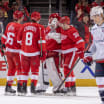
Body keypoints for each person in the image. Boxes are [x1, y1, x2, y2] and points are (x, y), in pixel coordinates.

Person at [17, 11, 46, 95]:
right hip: (35, 53)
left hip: (24, 52)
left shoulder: (24, 25)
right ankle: (33, 88)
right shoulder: (40, 27)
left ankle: (24, 88)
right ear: (38, 19)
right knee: (35, 71)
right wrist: (43, 53)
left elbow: (18, 40)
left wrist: (24, 47)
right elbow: (42, 42)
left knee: (24, 71)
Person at [58, 16, 85, 95]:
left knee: (67, 68)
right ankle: (72, 87)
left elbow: (80, 41)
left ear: (66, 23)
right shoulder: (63, 29)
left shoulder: (72, 31)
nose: (61, 26)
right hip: (65, 52)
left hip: (72, 52)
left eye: (62, 24)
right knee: (69, 69)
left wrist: (81, 50)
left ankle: (67, 87)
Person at [83, 6, 104, 104]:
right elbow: (94, 44)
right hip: (100, 59)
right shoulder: (94, 29)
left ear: (100, 15)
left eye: (95, 16)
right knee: (99, 81)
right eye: (93, 17)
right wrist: (88, 54)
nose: (93, 19)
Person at [1, 10, 24, 95]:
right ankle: (20, 87)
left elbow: (4, 37)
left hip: (8, 51)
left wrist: (2, 46)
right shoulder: (20, 27)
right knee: (19, 69)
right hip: (16, 51)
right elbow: (20, 41)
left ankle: (8, 87)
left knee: (11, 69)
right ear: (20, 18)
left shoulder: (9, 24)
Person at [45, 13, 65, 94]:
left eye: (55, 19)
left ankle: (59, 86)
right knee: (50, 71)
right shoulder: (47, 28)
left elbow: (61, 40)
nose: (53, 21)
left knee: (55, 70)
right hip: (48, 52)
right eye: (52, 19)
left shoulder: (60, 29)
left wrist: (54, 35)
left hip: (55, 53)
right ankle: (50, 86)